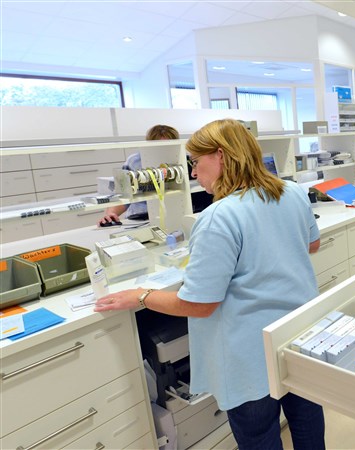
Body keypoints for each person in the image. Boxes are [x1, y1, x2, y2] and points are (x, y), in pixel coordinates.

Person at [95, 119, 325, 450]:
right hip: (298, 338)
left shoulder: (218, 217)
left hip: (250, 358)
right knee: (308, 426)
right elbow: (311, 244)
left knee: (260, 437)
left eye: (195, 162)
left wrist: (142, 296)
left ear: (219, 156)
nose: (192, 173)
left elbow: (199, 304)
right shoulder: (290, 192)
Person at [99, 124, 179, 225]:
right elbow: (124, 193)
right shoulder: (134, 161)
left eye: (167, 146)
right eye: (158, 146)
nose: (162, 151)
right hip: (140, 217)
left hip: (172, 215)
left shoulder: (182, 161)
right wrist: (111, 214)